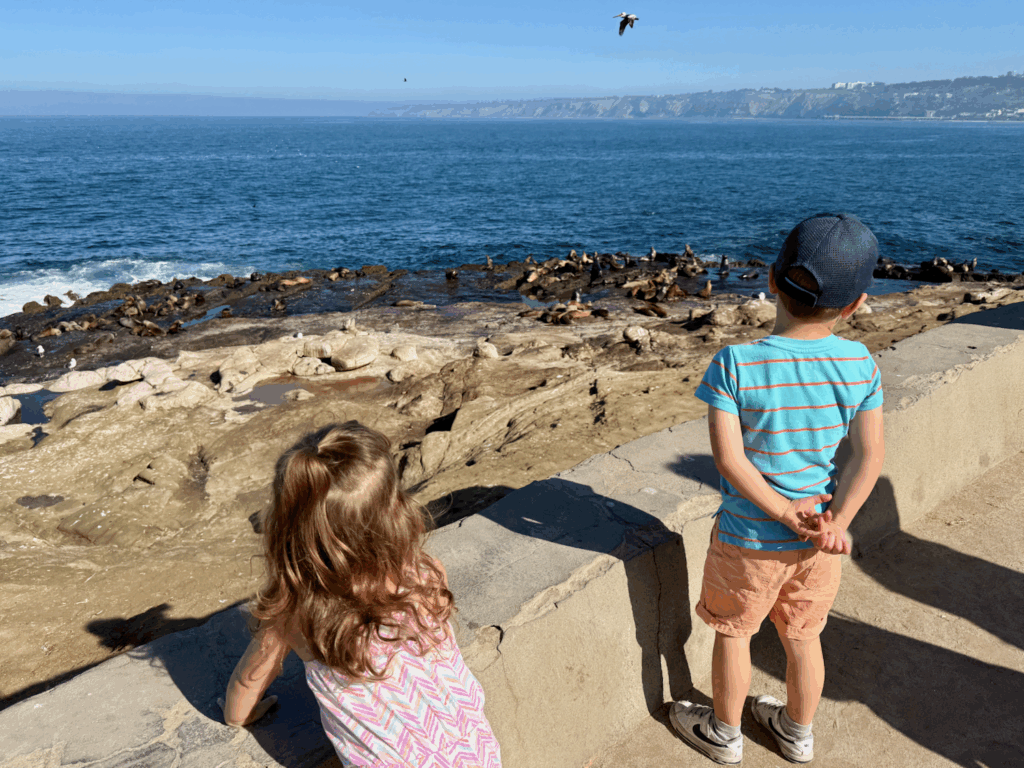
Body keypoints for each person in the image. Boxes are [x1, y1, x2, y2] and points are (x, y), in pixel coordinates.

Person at [670, 213, 886, 764]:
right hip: (819, 542)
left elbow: (730, 460)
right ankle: (797, 732)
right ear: (857, 303)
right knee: (803, 638)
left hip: (748, 537)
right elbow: (869, 456)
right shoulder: (860, 363)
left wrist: (782, 513)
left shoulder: (736, 364)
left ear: (770, 280)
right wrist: (834, 523)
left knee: (735, 633)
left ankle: (724, 735)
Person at [218, 421, 502, 767]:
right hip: (477, 755)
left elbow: (242, 697)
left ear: (289, 525)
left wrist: (241, 715)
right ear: (394, 511)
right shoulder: (425, 574)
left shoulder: (295, 612)